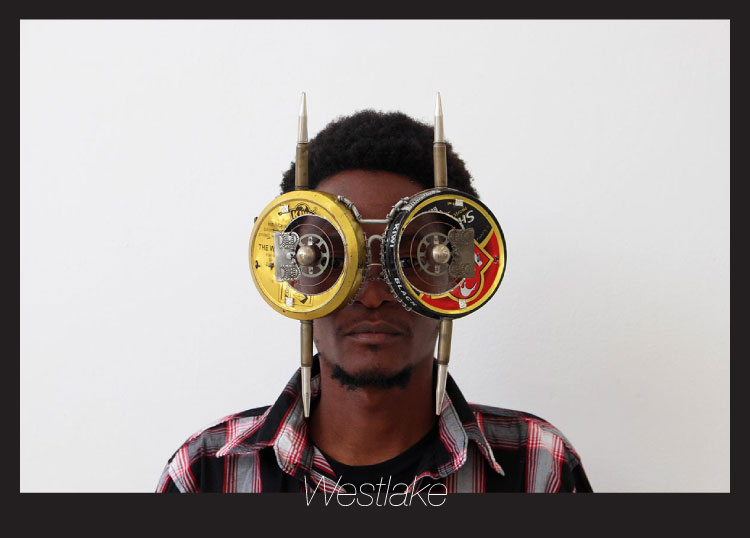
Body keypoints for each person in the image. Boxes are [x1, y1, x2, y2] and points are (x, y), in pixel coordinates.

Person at [156, 110, 592, 494]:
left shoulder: (537, 468)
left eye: (416, 257)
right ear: (291, 270)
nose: (374, 296)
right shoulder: (206, 475)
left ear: (458, 270)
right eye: (331, 258)